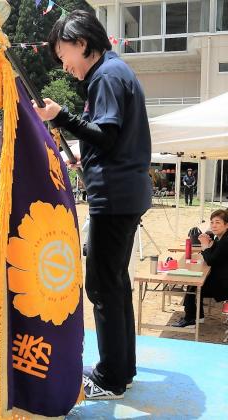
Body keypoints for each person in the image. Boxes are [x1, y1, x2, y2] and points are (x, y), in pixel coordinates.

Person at [33, 10, 152, 400]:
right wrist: (87, 159)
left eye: (62, 53)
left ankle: (110, 377)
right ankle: (123, 369)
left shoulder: (106, 77)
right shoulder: (115, 72)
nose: (63, 64)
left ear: (82, 43)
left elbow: (108, 134)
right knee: (115, 285)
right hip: (122, 192)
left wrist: (61, 116)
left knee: (102, 286)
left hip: (115, 199)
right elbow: (109, 142)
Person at [173, 209, 228, 327]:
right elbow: (213, 255)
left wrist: (204, 245)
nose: (214, 225)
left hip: (224, 284)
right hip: (221, 278)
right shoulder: (221, 237)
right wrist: (209, 244)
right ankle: (196, 316)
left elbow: (211, 260)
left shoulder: (225, 240)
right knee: (193, 284)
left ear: (226, 225)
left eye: (218, 222)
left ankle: (191, 318)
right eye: (212, 222)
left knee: (193, 286)